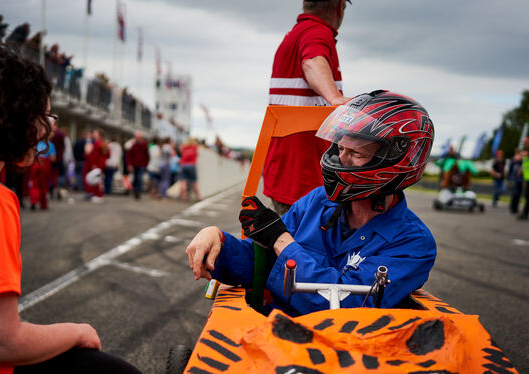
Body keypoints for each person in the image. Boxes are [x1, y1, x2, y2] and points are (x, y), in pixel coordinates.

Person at [0, 43, 141, 374]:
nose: (47, 127)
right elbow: (2, 342)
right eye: (45, 116)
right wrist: (76, 331)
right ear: (15, 118)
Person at [186, 90, 436, 316]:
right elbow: (259, 260)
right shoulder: (317, 202)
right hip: (276, 333)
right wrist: (217, 241)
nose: (340, 159)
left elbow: (342, 308)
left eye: (356, 152)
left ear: (396, 159)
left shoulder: (413, 243)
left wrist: (281, 239)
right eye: (340, 147)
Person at [263, 0, 351, 215]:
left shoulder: (295, 34)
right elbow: (312, 61)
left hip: (287, 173)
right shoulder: (317, 32)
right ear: (339, 6)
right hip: (304, 179)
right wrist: (334, 97)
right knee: (302, 247)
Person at [126, 131, 149, 199]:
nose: (138, 139)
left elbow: (147, 156)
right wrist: (129, 164)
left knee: (139, 178)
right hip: (134, 164)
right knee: (135, 178)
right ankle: (135, 190)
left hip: (141, 165)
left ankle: (138, 191)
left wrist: (146, 164)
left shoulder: (145, 145)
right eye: (137, 137)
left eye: (139, 137)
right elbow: (129, 156)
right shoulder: (132, 145)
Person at [517, 137, 529, 220]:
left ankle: (525, 213)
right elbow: (525, 162)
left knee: (527, 196)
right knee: (527, 196)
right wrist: (520, 169)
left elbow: (525, 155)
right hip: (527, 177)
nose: (524, 144)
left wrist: (522, 154)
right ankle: (525, 213)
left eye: (525, 142)